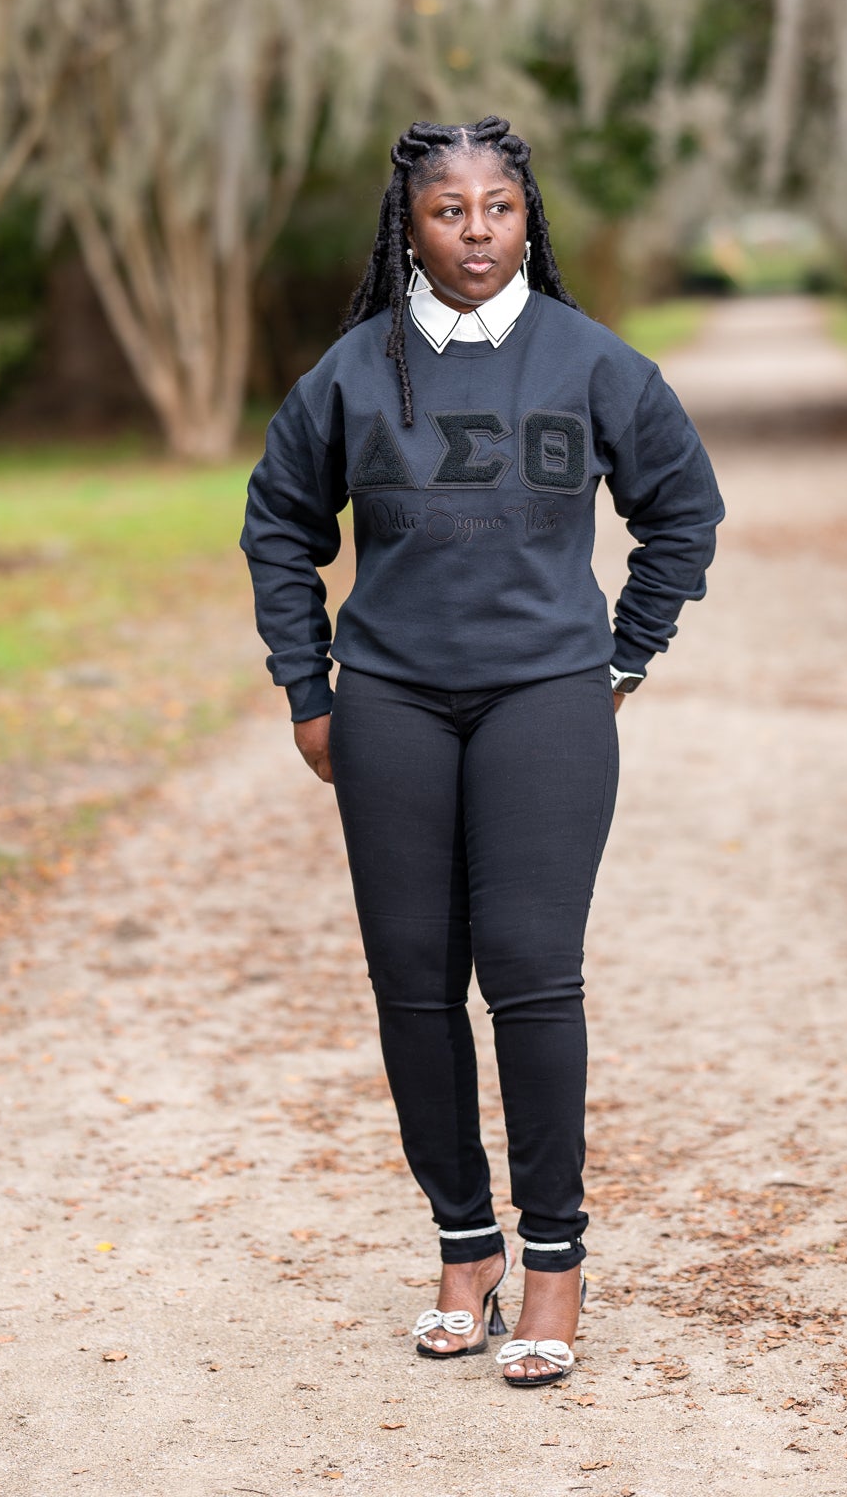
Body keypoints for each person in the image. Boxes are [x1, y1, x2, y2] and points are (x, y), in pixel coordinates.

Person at [241, 116, 723, 1386]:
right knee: (412, 976)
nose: (474, 232)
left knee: (527, 970)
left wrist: (624, 653)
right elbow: (279, 521)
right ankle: (465, 1244)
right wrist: (309, 685)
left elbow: (681, 506)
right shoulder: (353, 370)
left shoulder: (592, 360)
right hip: (390, 699)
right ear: (410, 223)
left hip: (545, 700)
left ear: (528, 218)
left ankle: (555, 1257)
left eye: (497, 208)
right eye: (447, 210)